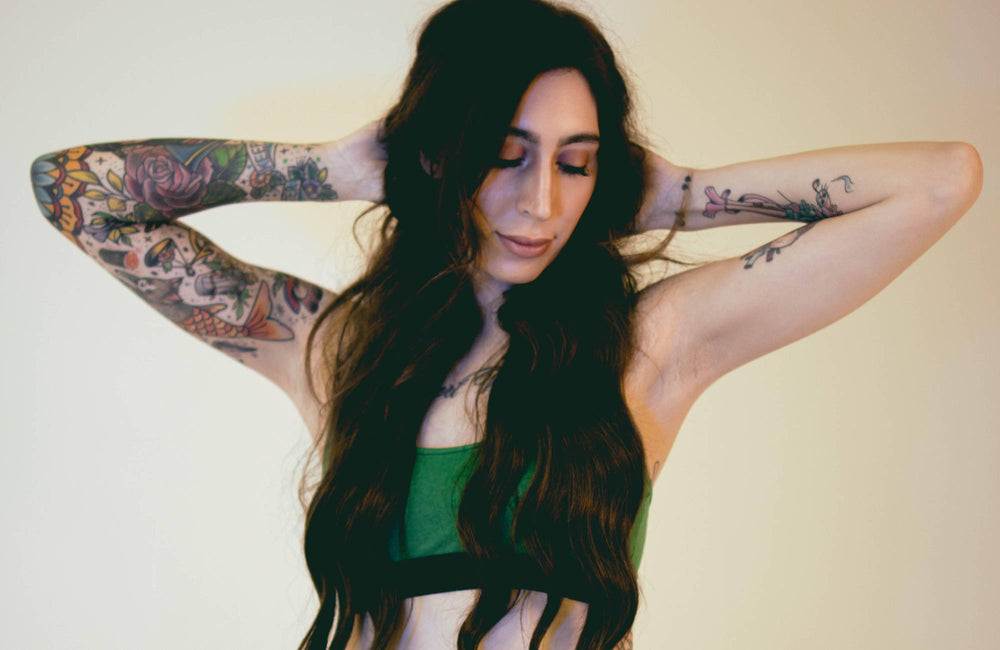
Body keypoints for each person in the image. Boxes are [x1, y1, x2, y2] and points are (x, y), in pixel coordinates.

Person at [29, 0, 982, 648]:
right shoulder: (338, 351)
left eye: (575, 162)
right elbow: (73, 191)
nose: (540, 204)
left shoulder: (650, 348)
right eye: (503, 154)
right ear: (437, 156)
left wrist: (675, 196)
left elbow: (940, 180)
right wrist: (324, 167)